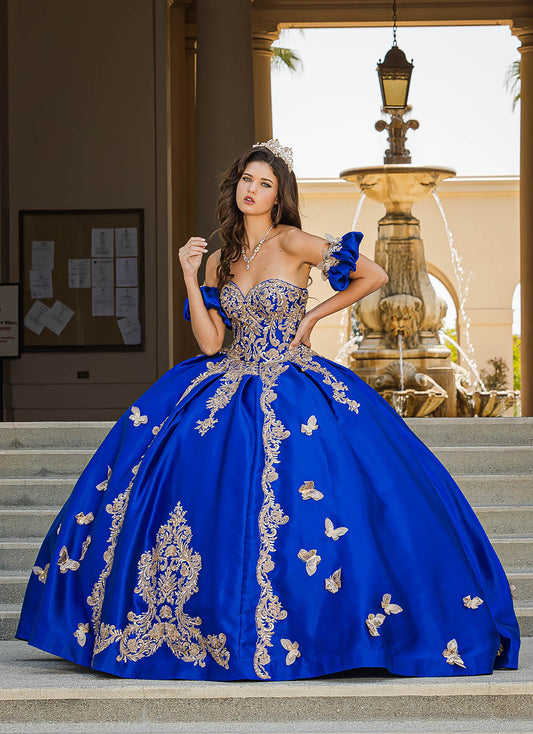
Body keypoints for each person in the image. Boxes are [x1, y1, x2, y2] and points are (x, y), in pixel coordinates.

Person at [16, 139, 520, 681]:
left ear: (279, 197)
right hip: (226, 376)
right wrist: (189, 274)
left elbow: (371, 275)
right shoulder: (218, 258)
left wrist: (311, 318)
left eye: (264, 184)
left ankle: (333, 631)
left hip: (293, 379)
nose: (251, 190)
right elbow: (210, 343)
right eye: (246, 180)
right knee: (184, 480)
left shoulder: (295, 241)